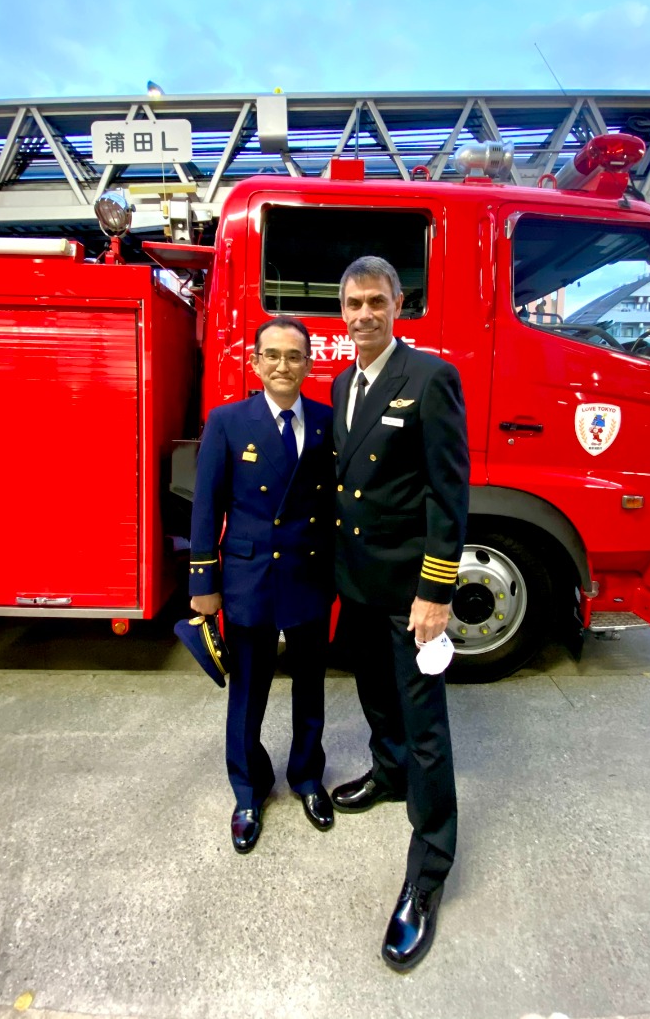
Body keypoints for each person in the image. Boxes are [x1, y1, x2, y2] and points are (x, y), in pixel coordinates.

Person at [330, 256, 469, 971]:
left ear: (397, 304)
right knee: (376, 699)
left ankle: (428, 872)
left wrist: (436, 591)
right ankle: (385, 777)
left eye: (375, 302)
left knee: (426, 731)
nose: (363, 315)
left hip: (410, 591)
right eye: (352, 303)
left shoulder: (428, 378)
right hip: (357, 582)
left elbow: (447, 495)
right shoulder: (340, 382)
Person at [189, 316, 335, 853]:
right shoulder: (228, 421)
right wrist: (203, 579)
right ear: (255, 363)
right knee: (248, 690)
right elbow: (207, 506)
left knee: (310, 685)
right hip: (249, 576)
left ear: (309, 364)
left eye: (293, 356)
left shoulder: (325, 421)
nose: (282, 365)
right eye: (271, 355)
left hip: (309, 572)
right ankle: (248, 789)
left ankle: (307, 776)